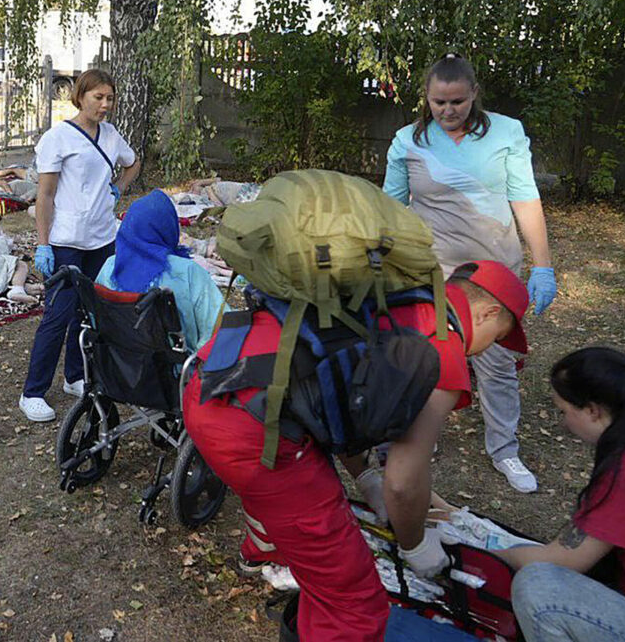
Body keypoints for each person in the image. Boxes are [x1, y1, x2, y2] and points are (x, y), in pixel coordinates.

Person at [184, 260, 531, 641]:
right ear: (488, 312)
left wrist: (366, 476)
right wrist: (416, 544)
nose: (491, 349)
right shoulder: (443, 348)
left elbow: (341, 394)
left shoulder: (398, 298)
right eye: (499, 337)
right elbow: (404, 479)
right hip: (251, 427)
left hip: (213, 378)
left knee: (281, 493)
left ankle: (263, 549)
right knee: (352, 601)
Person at [384, 53, 557, 494]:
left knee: (497, 364)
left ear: (474, 94)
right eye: (439, 102)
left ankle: (505, 450)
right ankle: (417, 435)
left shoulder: (507, 133)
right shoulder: (407, 141)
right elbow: (389, 208)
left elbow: (525, 198)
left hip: (493, 274)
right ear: (426, 97)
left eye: (457, 101)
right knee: (427, 357)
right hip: (433, 271)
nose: (448, 110)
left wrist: (542, 265)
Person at [493, 347, 625, 641]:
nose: (563, 423)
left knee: (539, 587)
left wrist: (490, 554)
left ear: (592, 410)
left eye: (564, 411)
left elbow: (562, 560)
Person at [19, 69, 141, 422]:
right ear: (80, 96)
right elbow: (45, 194)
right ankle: (33, 392)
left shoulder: (112, 135)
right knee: (58, 315)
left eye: (110, 99)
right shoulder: (59, 138)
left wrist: (118, 188)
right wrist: (43, 244)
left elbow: (133, 164)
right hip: (67, 241)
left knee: (90, 313)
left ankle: (74, 375)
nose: (105, 105)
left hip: (102, 239)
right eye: (97, 97)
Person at [95, 189, 225, 351]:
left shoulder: (110, 267)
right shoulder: (188, 272)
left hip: (119, 365)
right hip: (177, 369)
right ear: (169, 227)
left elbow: (98, 320)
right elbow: (219, 330)